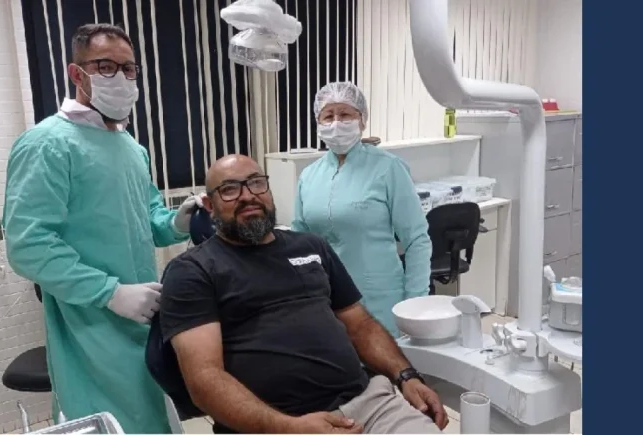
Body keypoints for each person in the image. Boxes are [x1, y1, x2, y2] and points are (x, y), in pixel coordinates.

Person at [159, 154, 448, 434]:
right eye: (230, 189)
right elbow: (205, 378)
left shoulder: (311, 247)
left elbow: (360, 325)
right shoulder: (192, 271)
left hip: (369, 405)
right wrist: (289, 428)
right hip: (272, 425)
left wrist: (405, 375)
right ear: (210, 205)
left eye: (256, 183)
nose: (248, 196)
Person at [3, 24, 201, 433]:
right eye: (106, 67)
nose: (122, 78)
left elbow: (148, 219)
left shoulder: (131, 147)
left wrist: (177, 221)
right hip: (91, 327)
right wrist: (109, 292)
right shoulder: (47, 143)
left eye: (129, 69)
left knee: (152, 416)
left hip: (144, 318)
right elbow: (28, 245)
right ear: (77, 74)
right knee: (108, 420)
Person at [292, 82, 432, 336]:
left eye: (345, 114)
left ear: (362, 120)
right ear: (318, 122)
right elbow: (300, 241)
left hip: (380, 300)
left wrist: (415, 302)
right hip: (327, 300)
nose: (336, 123)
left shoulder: (388, 168)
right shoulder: (309, 176)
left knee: (384, 360)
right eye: (328, 116)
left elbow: (416, 239)